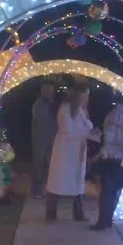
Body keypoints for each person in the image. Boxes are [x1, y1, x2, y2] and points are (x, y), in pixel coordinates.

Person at [45, 86, 99, 222]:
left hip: (77, 152)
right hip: (65, 152)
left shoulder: (81, 110)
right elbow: (67, 130)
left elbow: (86, 127)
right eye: (85, 96)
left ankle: (78, 213)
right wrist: (88, 134)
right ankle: (51, 214)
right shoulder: (65, 109)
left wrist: (93, 134)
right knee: (58, 182)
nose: (87, 99)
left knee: (78, 183)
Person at [91, 87, 123, 231]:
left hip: (114, 159)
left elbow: (109, 139)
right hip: (121, 159)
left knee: (108, 191)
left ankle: (105, 221)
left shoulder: (114, 115)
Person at [30, 82, 58, 199]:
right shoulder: (39, 105)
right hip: (41, 140)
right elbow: (44, 122)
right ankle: (37, 189)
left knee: (46, 164)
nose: (50, 93)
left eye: (51, 91)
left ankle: (42, 188)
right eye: (48, 91)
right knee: (39, 164)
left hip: (49, 139)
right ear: (43, 91)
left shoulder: (51, 104)